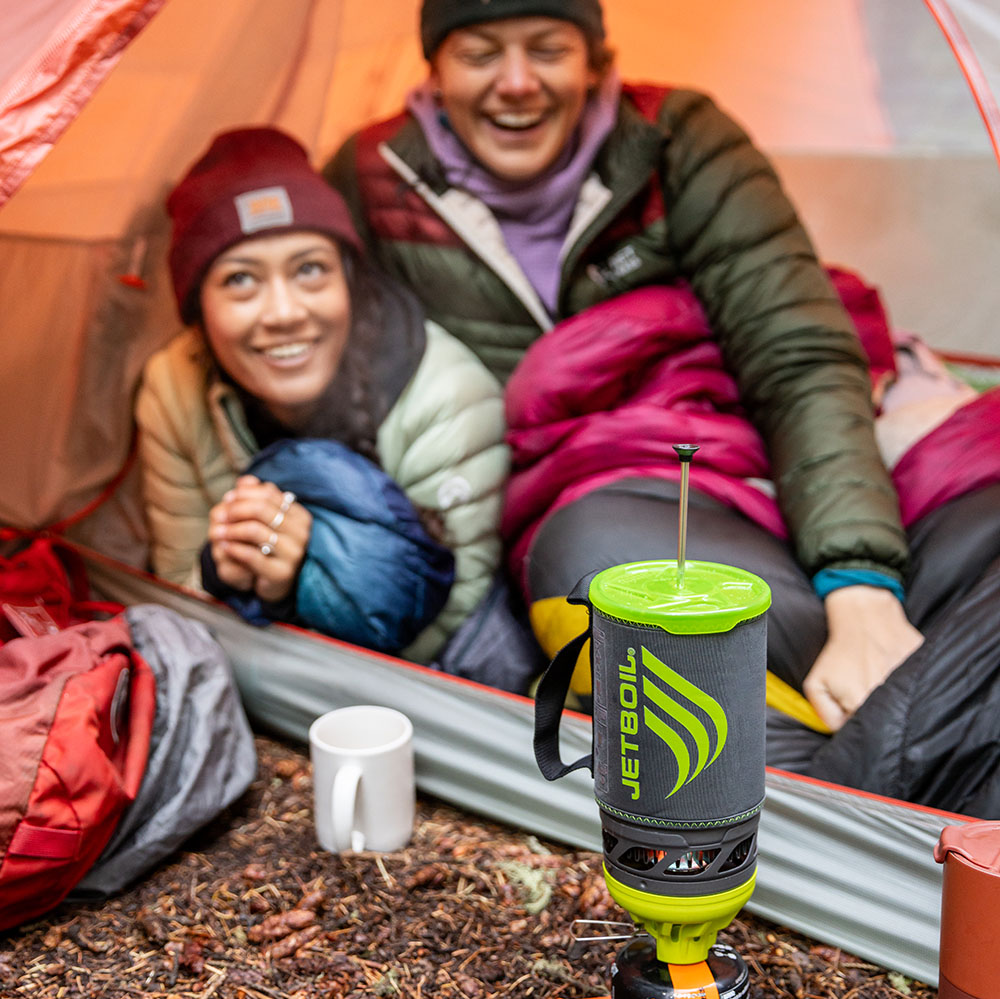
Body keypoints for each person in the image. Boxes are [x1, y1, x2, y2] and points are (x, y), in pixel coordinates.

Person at [324, 0, 1000, 748]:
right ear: (435, 69)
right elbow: (326, 373)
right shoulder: (372, 179)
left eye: (547, 48)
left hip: (744, 444)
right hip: (597, 490)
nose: (516, 83)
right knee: (621, 594)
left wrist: (861, 581)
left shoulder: (679, 140)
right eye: (480, 53)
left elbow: (795, 351)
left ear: (595, 60)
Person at [136, 126, 509, 664]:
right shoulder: (174, 388)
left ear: (349, 281)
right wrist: (227, 573)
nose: (285, 313)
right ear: (198, 312)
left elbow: (457, 618)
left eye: (310, 269)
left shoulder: (444, 398)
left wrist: (305, 589)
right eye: (241, 280)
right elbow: (179, 597)